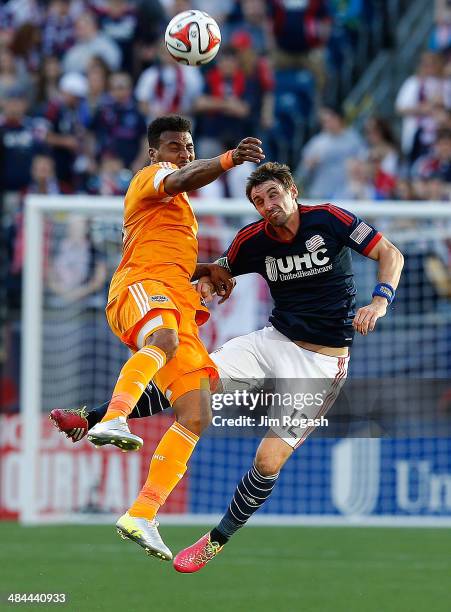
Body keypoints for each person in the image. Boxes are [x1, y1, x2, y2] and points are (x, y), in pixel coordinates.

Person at [50, 161, 404, 571]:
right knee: (194, 385)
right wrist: (205, 283)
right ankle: (90, 418)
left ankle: (216, 539)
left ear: (291, 189)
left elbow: (388, 253)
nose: (268, 205)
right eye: (258, 201)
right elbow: (219, 270)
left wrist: (379, 301)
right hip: (271, 340)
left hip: (320, 362)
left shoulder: (328, 219)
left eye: (273, 195)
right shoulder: (252, 240)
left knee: (268, 461)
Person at [85, 114, 264, 561]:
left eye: (187, 146)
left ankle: (142, 513)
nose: (182, 154)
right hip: (140, 286)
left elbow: (170, 254)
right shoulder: (153, 177)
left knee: (196, 410)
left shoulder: (179, 208)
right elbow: (183, 176)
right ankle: (114, 417)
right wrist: (226, 160)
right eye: (174, 146)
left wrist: (206, 270)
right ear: (154, 153)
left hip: (176, 297)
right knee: (161, 339)